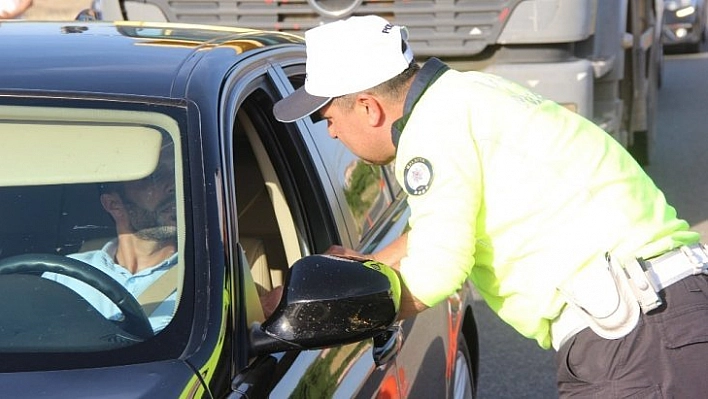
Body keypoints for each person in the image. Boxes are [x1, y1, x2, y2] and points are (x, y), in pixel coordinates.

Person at [272, 15, 708, 398]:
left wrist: (331, 309)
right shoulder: (466, 95)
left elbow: (436, 272)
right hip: (660, 316)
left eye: (328, 118)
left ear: (368, 108)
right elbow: (441, 227)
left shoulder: (431, 134)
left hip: (635, 341)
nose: (330, 134)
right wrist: (369, 263)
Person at [44, 141, 179, 333]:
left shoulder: (200, 278)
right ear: (114, 204)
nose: (173, 185)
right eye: (155, 177)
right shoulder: (62, 275)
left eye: (174, 175)